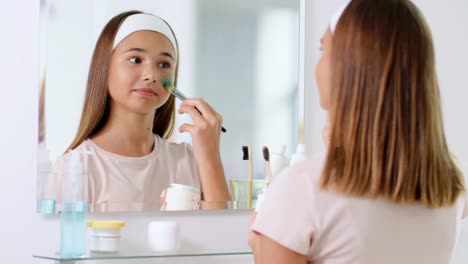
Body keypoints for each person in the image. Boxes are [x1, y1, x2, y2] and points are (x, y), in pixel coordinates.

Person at [249, 0, 467, 263]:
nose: (316, 65)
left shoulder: (301, 191)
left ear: (349, 69)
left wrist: (261, 247)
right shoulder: (450, 190)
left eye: (322, 49)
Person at [55, 10, 230, 210]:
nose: (151, 75)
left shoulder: (188, 160)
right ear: (104, 66)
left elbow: (221, 233)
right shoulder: (75, 168)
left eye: (164, 64)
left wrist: (210, 155)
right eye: (135, 60)